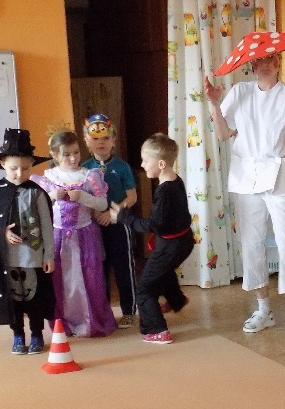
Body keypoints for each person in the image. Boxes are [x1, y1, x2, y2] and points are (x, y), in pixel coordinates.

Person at [204, 52, 285, 339]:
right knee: (251, 244)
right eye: (260, 60)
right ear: (252, 64)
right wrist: (214, 104)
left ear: (278, 63)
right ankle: (263, 310)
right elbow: (222, 133)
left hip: (279, 174)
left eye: (272, 59)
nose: (267, 64)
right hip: (246, 176)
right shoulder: (240, 92)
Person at [0, 128, 56, 355]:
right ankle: (18, 334)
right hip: (7, 259)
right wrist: (2, 233)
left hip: (32, 257)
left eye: (25, 168)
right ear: (2, 163)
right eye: (14, 168)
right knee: (13, 301)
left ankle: (37, 334)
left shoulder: (36, 193)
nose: (20, 173)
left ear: (32, 165)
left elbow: (47, 226)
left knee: (34, 299)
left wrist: (48, 254)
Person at [32, 129, 117, 338]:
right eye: (66, 154)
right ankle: (63, 323)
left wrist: (83, 197)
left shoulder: (89, 176)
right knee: (61, 280)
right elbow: (36, 207)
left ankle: (91, 321)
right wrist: (52, 195)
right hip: (58, 236)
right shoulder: (48, 178)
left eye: (76, 152)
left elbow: (102, 204)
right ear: (54, 155)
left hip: (85, 235)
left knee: (90, 278)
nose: (73, 158)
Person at [109, 133, 193, 344]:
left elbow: (153, 226)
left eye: (146, 160)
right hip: (183, 242)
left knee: (144, 289)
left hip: (171, 246)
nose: (142, 164)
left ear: (161, 164)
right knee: (162, 271)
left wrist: (124, 217)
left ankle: (157, 330)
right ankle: (176, 300)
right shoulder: (176, 181)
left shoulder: (164, 193)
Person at [82, 113, 139, 329]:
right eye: (95, 139)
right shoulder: (85, 168)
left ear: (113, 140)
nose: (101, 143)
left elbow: (132, 197)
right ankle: (104, 313)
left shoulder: (122, 167)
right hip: (94, 225)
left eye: (106, 138)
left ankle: (129, 311)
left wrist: (112, 213)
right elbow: (83, 196)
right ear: (87, 141)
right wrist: (95, 213)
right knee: (99, 269)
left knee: (124, 268)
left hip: (119, 224)